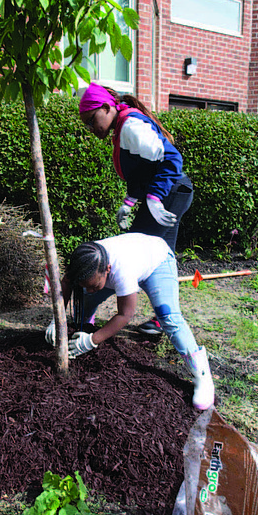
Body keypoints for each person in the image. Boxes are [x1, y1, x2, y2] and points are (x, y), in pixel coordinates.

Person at [45, 233, 214, 410]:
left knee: (168, 316)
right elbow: (65, 285)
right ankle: (86, 326)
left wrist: (92, 340)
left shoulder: (122, 270)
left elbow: (126, 314)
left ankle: (202, 376)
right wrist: (55, 320)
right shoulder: (84, 260)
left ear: (107, 269)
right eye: (85, 284)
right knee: (88, 298)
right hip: (129, 260)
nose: (89, 288)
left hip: (157, 261)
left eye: (94, 284)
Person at [79, 82, 194, 335]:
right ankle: (162, 318)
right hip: (172, 193)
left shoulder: (130, 125)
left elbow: (172, 158)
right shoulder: (122, 127)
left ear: (107, 108)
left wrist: (154, 198)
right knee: (164, 256)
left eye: (91, 119)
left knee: (134, 253)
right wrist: (129, 202)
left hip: (171, 193)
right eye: (86, 124)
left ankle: (87, 309)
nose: (91, 128)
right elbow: (142, 171)